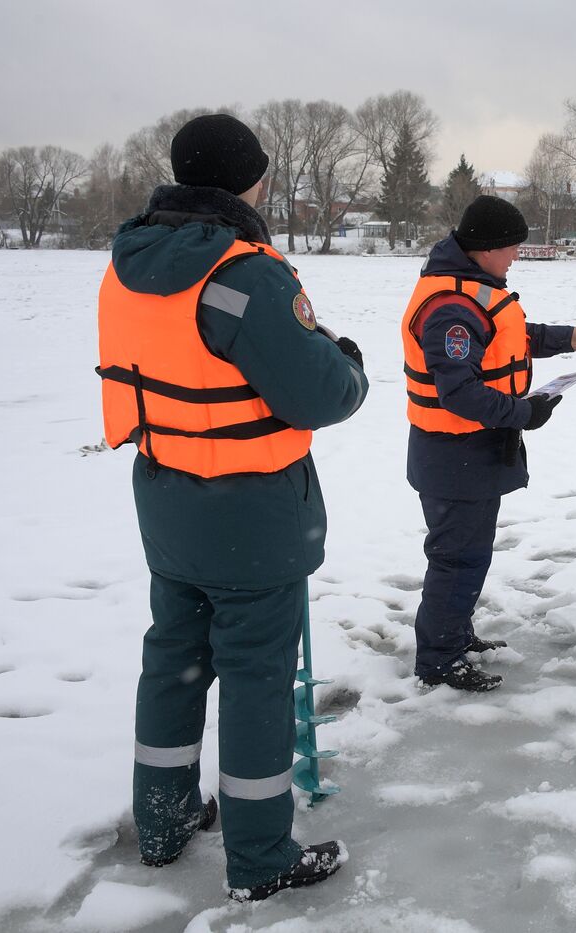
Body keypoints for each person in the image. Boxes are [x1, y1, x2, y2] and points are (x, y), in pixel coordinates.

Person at [96, 114, 367, 901]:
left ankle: (166, 819)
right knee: (255, 676)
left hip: (167, 501)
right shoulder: (242, 273)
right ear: (246, 180)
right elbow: (320, 393)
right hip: (250, 516)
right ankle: (260, 857)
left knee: (174, 661)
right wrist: (345, 360)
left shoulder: (124, 264)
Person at [402, 195, 576, 692]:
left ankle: (454, 633)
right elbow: (459, 392)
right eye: (513, 246)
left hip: (471, 453)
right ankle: (440, 659)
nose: (517, 254)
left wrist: (564, 337)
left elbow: (506, 336)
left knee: (470, 554)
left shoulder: (474, 290)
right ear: (487, 248)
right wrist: (524, 413)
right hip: (455, 454)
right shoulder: (452, 305)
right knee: (456, 558)